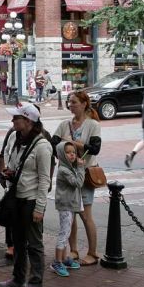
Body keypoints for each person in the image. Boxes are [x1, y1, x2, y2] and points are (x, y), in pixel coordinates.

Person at [0, 103, 52, 287]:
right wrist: (10, 172)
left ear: (27, 121)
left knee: (34, 244)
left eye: (16, 118)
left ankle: (35, 285)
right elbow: (15, 164)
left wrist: (40, 207)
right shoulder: (15, 138)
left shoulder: (43, 145)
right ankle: (18, 280)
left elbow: (45, 179)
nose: (12, 121)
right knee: (18, 241)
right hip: (16, 198)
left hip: (31, 200)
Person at [51, 90, 102, 267]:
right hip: (68, 176)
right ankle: (73, 250)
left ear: (84, 104)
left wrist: (73, 144)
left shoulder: (92, 125)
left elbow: (94, 148)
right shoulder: (65, 124)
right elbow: (54, 143)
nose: (70, 105)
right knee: (70, 213)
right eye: (69, 102)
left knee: (85, 215)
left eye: (73, 102)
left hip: (85, 173)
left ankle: (93, 252)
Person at [50, 142, 84, 277]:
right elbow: (78, 183)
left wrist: (78, 166)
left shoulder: (69, 168)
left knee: (67, 232)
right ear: (62, 155)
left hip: (69, 204)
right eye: (68, 152)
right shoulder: (64, 170)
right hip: (65, 205)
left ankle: (63, 259)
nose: (72, 155)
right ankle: (57, 262)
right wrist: (81, 167)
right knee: (64, 233)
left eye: (74, 152)